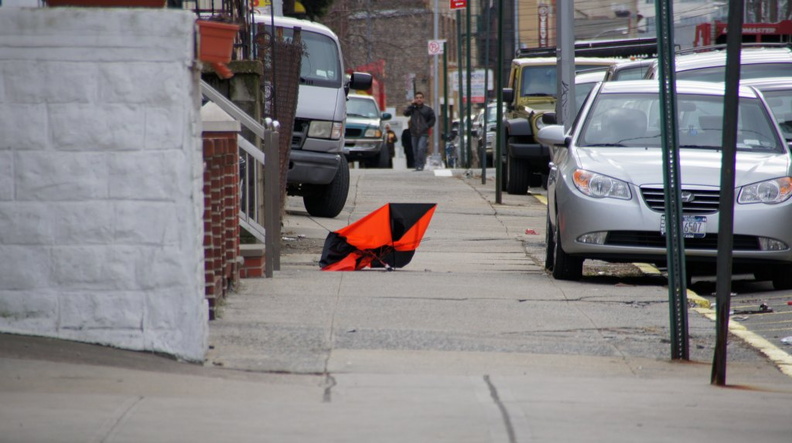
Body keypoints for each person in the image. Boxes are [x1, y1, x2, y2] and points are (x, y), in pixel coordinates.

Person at [403, 92, 436, 171]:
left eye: (420, 97)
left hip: (423, 133)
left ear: (423, 99)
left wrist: (427, 126)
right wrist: (411, 105)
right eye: (417, 98)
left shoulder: (428, 109)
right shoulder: (413, 109)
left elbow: (433, 119)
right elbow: (405, 113)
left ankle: (421, 165)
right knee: (415, 150)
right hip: (414, 133)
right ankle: (417, 165)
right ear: (415, 99)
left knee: (421, 148)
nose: (419, 99)